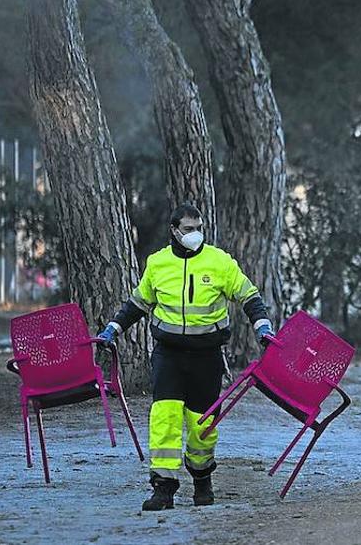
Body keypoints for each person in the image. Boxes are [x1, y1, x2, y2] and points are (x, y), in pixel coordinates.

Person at [98, 204, 273, 511]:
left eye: (199, 228)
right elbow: (138, 303)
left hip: (207, 357)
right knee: (163, 419)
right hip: (169, 355)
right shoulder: (158, 263)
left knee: (202, 426)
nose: (195, 235)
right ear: (174, 231)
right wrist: (113, 328)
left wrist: (262, 328)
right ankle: (163, 488)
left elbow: (249, 296)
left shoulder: (220, 262)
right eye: (189, 229)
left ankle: (202, 480)